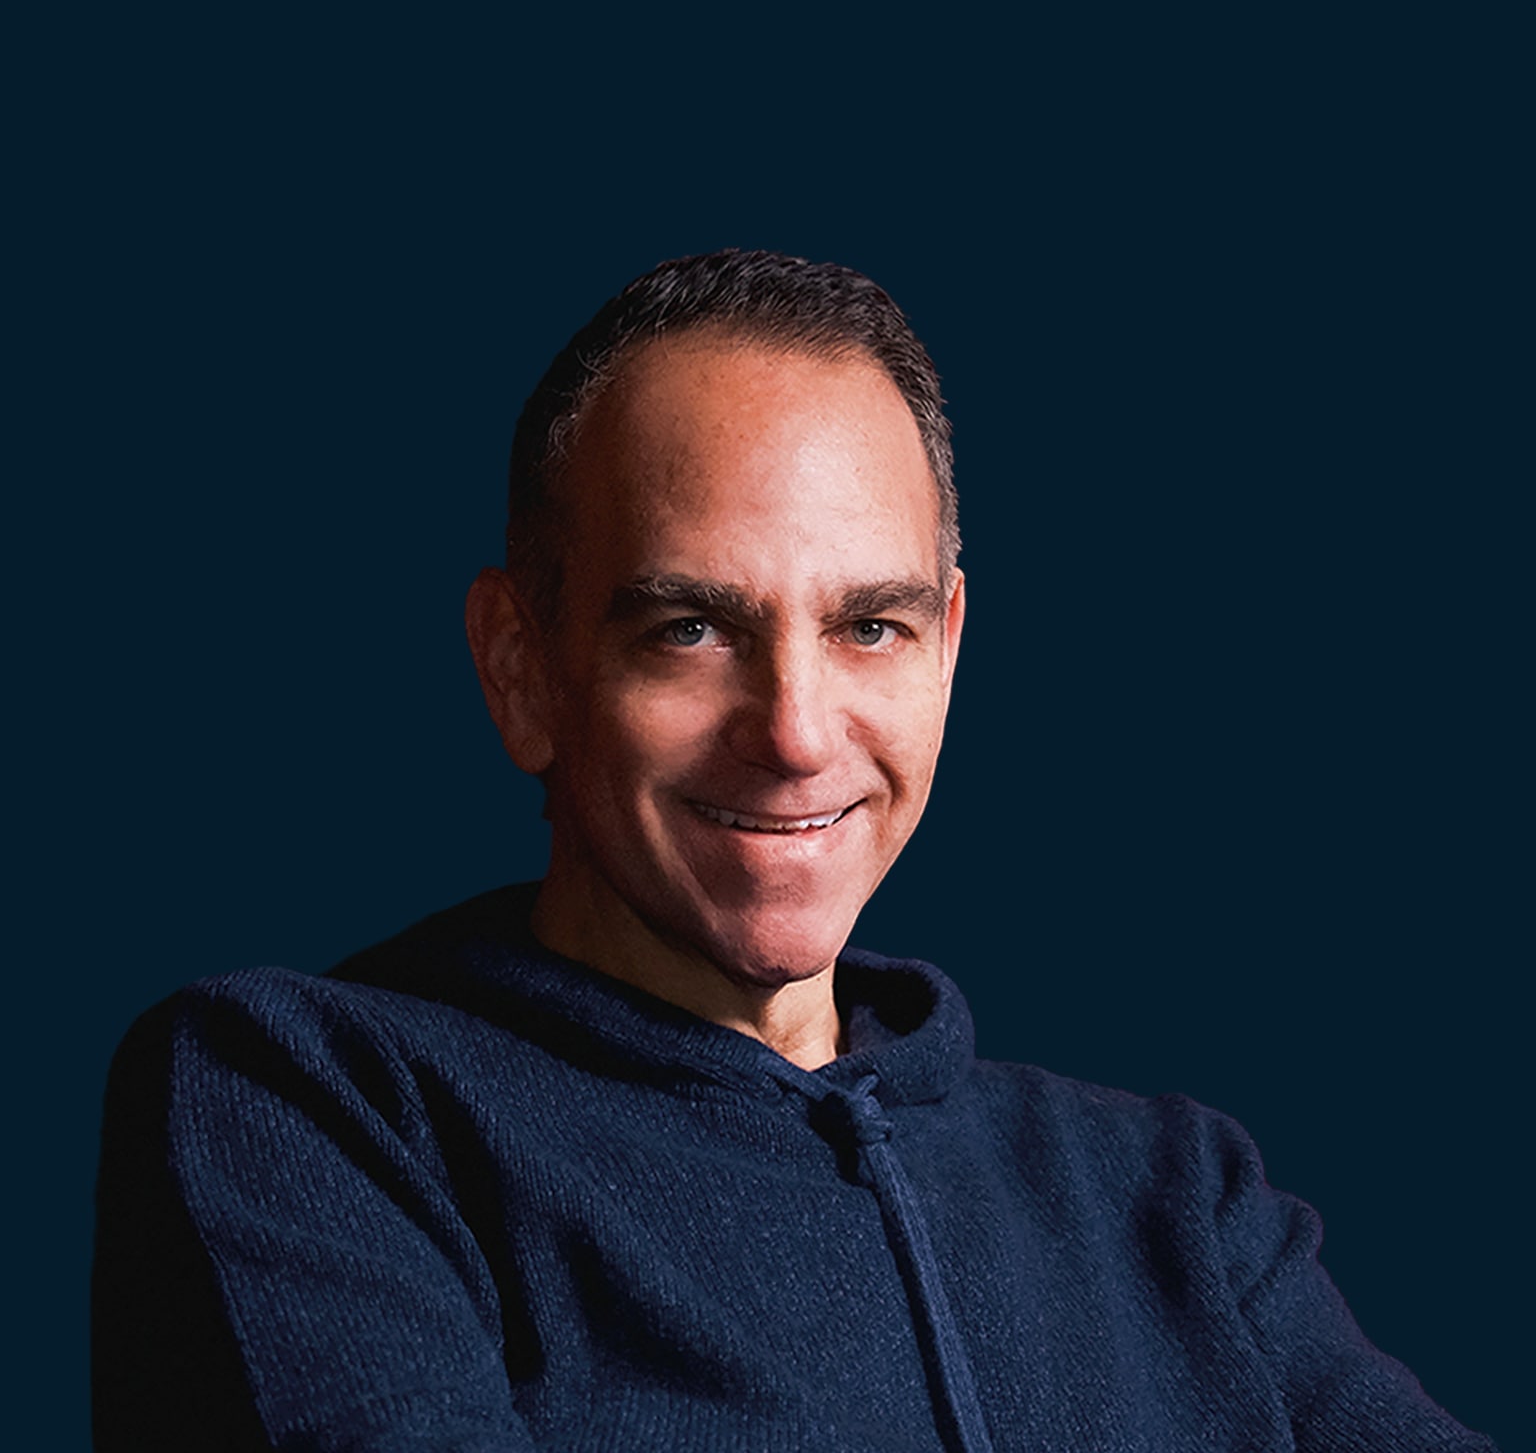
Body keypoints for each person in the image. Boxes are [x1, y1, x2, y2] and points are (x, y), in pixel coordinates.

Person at [92, 251, 1497, 1451]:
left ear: (948, 651)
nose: (796, 733)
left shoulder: (1177, 1197)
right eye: (691, 630)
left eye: (869, 627)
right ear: (522, 667)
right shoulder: (313, 1109)